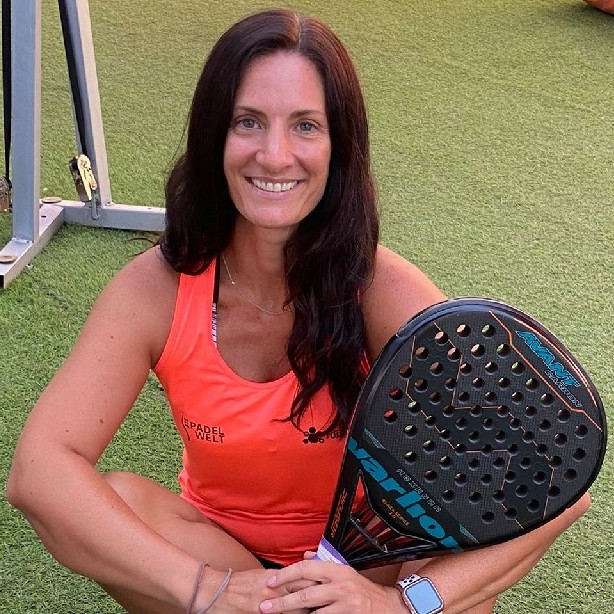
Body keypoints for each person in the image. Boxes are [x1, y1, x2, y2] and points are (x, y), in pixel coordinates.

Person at [7, 8, 590, 614]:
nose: (275, 155)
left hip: (374, 570)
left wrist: (401, 603)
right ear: (213, 136)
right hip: (225, 557)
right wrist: (209, 589)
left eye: (306, 126)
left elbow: (559, 483)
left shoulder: (381, 289)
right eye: (248, 122)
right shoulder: (156, 289)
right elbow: (38, 471)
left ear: (339, 147)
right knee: (120, 502)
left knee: (450, 581)